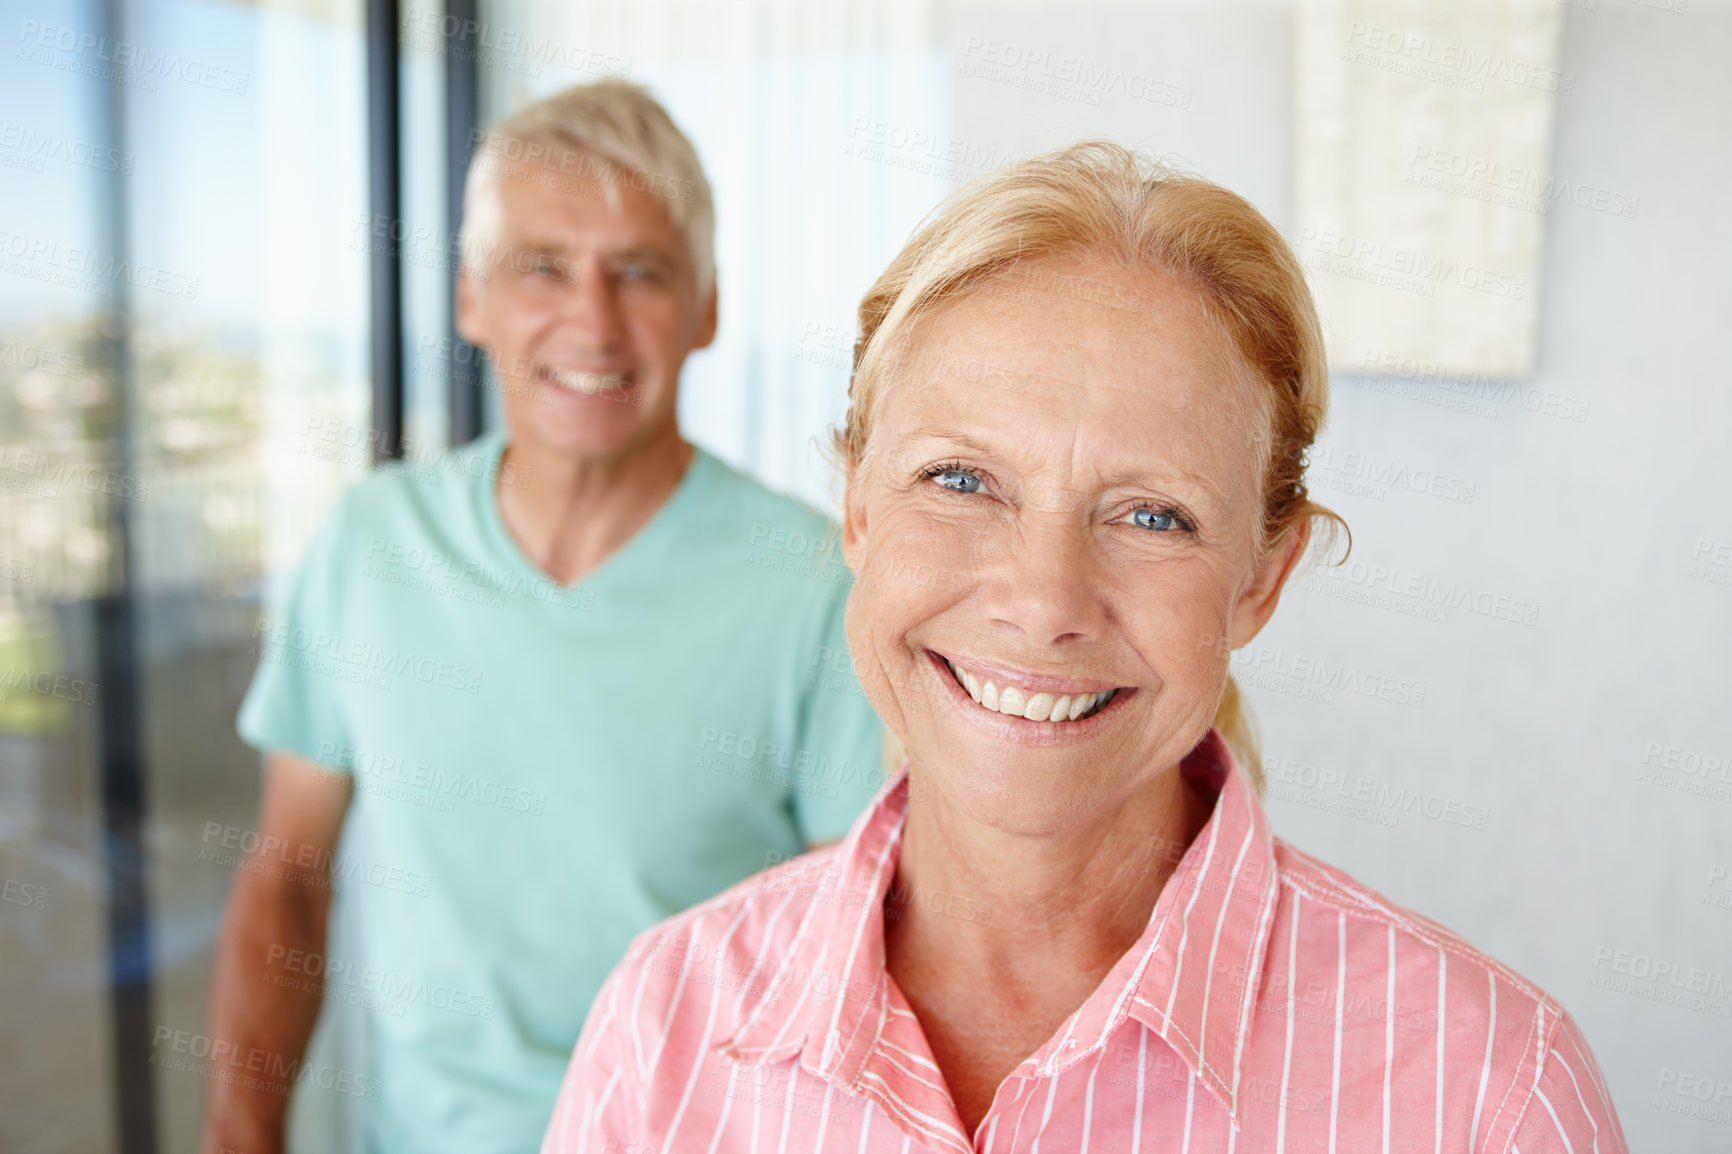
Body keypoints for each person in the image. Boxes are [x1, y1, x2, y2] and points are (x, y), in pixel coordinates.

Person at [541, 141, 1628, 1152]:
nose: (1042, 599)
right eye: (960, 480)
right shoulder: (667, 1022)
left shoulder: (1488, 1091)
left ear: (1260, 576)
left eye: (1151, 514)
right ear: (857, 509)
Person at [201, 81, 884, 1154]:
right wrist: (240, 1134)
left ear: (706, 306)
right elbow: (288, 873)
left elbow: (857, 953)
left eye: (640, 272)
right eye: (543, 267)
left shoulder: (815, 580)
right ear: (472, 298)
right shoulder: (370, 543)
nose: (592, 320)